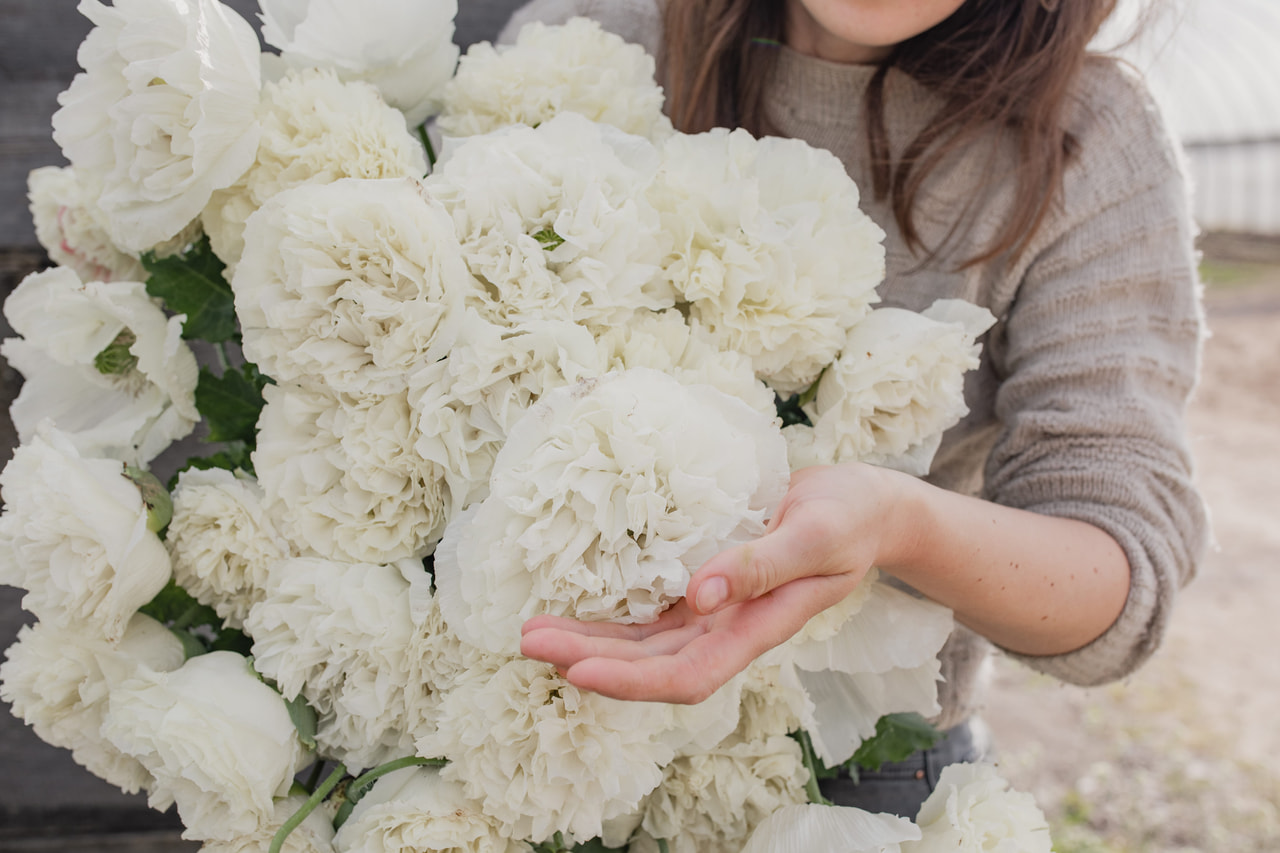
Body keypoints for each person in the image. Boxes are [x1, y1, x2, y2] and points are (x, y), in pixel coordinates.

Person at [503, 0, 1208, 816]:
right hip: (548, 731)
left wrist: (895, 525)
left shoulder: (1087, 136)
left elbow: (1115, 582)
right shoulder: (599, 38)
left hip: (860, 782)